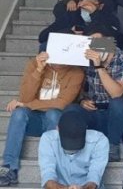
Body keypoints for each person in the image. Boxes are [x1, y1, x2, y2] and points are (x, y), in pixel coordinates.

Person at [0, 52, 84, 186]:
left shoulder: (76, 72)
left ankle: (53, 169)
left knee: (53, 114)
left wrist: (28, 104)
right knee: (19, 113)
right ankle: (9, 167)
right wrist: (38, 70)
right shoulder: (34, 64)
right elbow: (25, 98)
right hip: (34, 120)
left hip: (55, 122)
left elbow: (62, 103)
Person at [64, 24, 123, 162]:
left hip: (116, 115)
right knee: (71, 109)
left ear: (108, 43)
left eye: (98, 42)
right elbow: (78, 88)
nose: (94, 47)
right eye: (91, 43)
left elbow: (117, 93)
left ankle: (112, 145)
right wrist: (82, 101)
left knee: (118, 104)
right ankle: (74, 148)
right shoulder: (86, 61)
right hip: (95, 110)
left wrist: (99, 66)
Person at [39, 111, 109, 189]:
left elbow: (95, 175)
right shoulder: (47, 139)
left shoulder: (99, 140)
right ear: (57, 129)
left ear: (85, 129)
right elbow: (48, 175)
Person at [38, 0, 120, 49]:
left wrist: (94, 14)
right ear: (80, 3)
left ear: (101, 6)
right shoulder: (71, 16)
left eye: (92, 6)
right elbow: (43, 36)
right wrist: (69, 33)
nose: (88, 9)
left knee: (106, 45)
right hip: (71, 52)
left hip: (96, 54)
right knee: (44, 46)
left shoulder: (108, 17)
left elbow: (114, 41)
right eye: (86, 6)